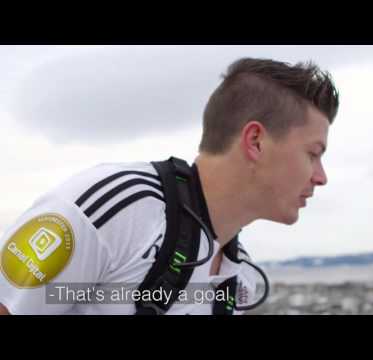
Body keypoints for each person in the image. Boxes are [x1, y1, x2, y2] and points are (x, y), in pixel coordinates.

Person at [0, 57, 339, 315]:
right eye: (313, 153)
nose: (320, 176)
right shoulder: (115, 209)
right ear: (256, 142)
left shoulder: (240, 278)